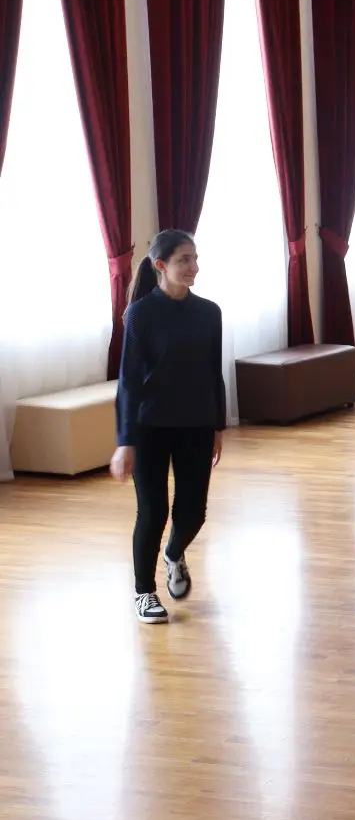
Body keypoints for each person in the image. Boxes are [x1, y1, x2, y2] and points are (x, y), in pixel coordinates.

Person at [110, 229, 225, 626]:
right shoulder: (140, 314)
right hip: (149, 428)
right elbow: (128, 382)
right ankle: (144, 592)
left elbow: (213, 372)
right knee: (153, 511)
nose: (194, 267)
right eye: (184, 260)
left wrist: (218, 425)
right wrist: (125, 441)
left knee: (193, 512)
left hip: (197, 423)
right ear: (160, 265)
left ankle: (173, 554)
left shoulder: (209, 312)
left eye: (195, 258)